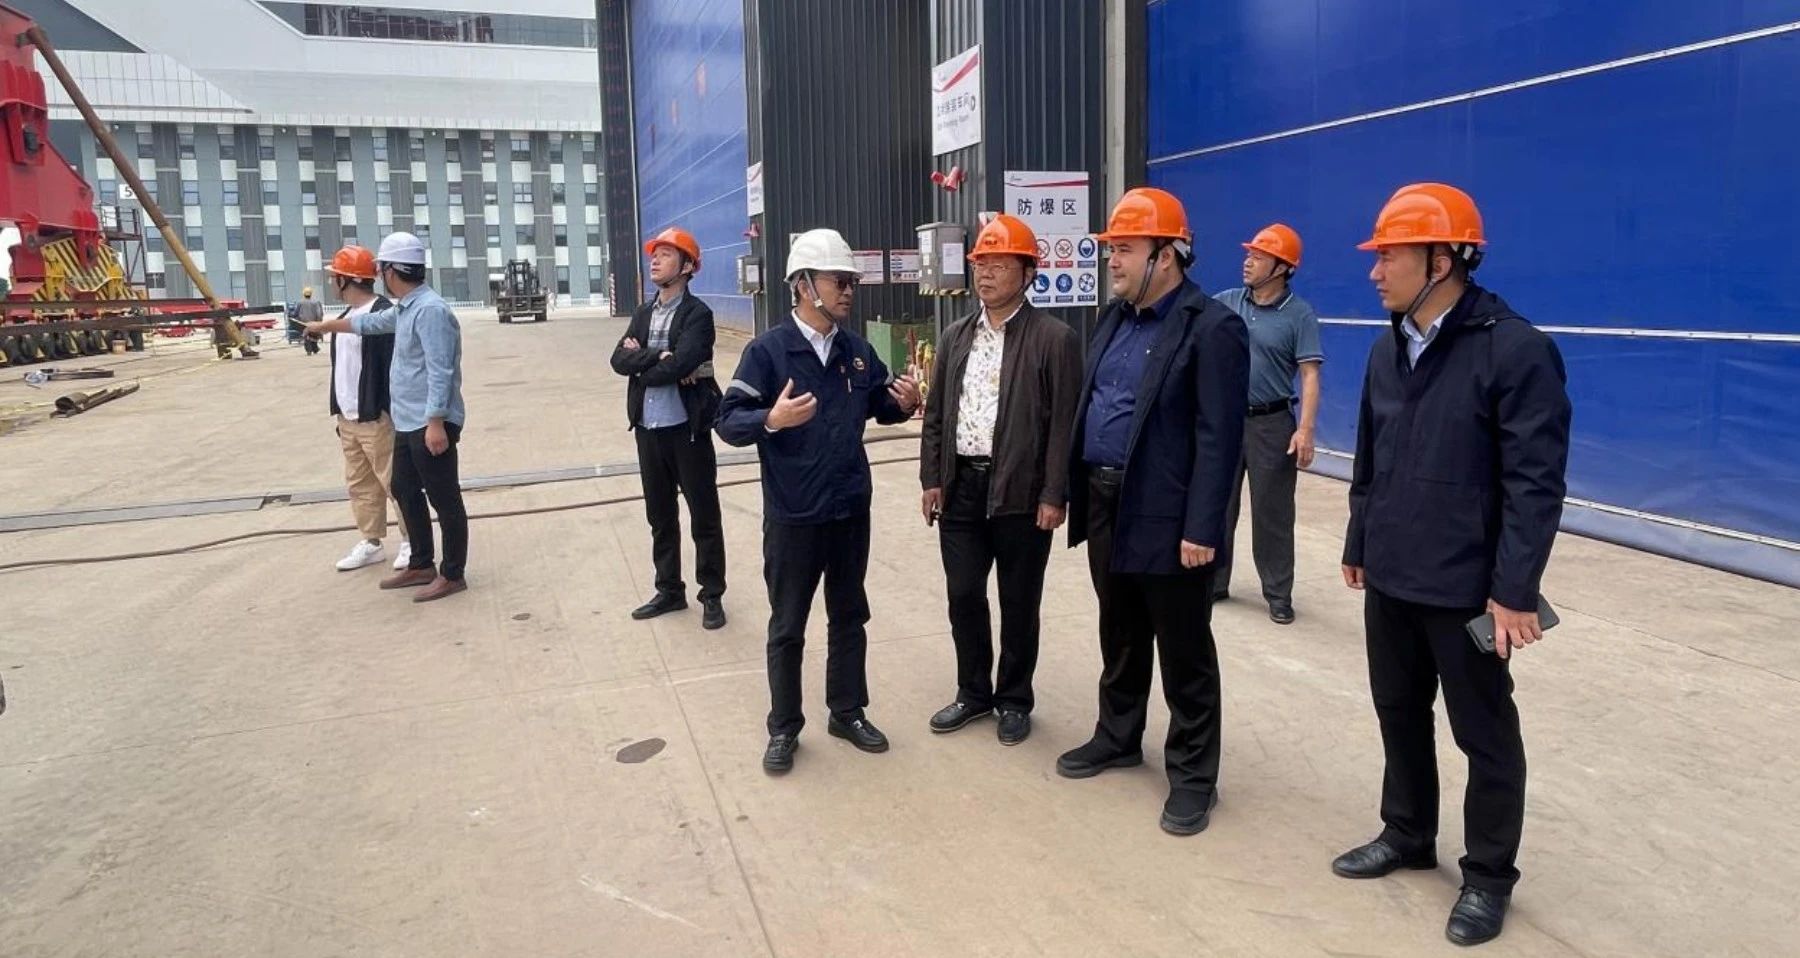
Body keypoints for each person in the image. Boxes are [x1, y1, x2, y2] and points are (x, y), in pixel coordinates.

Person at [1333, 183, 1571, 947]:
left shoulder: (1515, 350)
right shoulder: (1387, 347)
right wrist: (1360, 540)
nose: (1375, 272)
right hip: (1393, 574)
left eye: (1390, 256)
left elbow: (1534, 484)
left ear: (1442, 260)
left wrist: (1514, 591)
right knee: (1398, 711)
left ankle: (1489, 877)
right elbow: (1370, 457)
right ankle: (1406, 833)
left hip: (1467, 589)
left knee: (1484, 733)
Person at [1058, 187, 1248, 837]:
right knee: (1120, 629)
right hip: (1106, 501)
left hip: (1168, 516)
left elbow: (1220, 439)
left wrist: (1203, 527)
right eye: (1111, 248)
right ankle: (1117, 737)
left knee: (1184, 649)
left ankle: (1193, 776)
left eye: (1125, 248)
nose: (1112, 260)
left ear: (1166, 255)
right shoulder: (1112, 320)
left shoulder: (1212, 328)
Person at [716, 227, 921, 774]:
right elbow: (728, 420)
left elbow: (879, 404)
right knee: (788, 625)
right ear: (804, 285)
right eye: (839, 281)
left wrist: (905, 402)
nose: (849, 291)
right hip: (795, 515)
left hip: (849, 508)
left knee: (849, 614)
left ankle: (847, 711)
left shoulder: (856, 352)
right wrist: (771, 418)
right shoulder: (767, 352)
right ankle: (784, 728)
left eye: (851, 282)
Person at [918, 214, 1082, 746]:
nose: (985, 274)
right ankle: (973, 693)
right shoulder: (955, 336)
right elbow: (937, 415)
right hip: (962, 487)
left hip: (1022, 493)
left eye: (999, 264)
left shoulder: (1054, 339)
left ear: (1028, 273)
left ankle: (1014, 699)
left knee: (1019, 601)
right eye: (980, 264)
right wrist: (932, 478)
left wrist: (1054, 493)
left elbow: (1064, 425)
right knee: (963, 594)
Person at [307, 231, 468, 602]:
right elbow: (372, 324)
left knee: (444, 498)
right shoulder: (407, 307)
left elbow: (441, 370)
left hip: (430, 422)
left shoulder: (430, 310)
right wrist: (327, 326)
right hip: (408, 419)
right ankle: (421, 564)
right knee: (404, 489)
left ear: (394, 271)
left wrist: (436, 423)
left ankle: (452, 574)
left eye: (382, 270)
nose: (380, 277)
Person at [611, 227, 728, 630]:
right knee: (660, 515)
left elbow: (684, 362)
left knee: (703, 515)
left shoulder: (698, 315)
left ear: (687, 266)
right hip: (648, 428)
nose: (655, 260)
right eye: (654, 254)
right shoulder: (643, 313)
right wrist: (657, 357)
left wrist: (645, 363)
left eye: (665, 254)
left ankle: (711, 594)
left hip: (687, 429)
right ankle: (669, 590)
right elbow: (617, 360)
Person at [1212, 224, 1323, 623]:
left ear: (1281, 268)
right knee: (1216, 503)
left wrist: (1305, 429)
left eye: (1258, 257)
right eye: (1249, 254)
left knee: (1272, 513)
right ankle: (1214, 581)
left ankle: (1278, 593)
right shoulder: (1227, 302)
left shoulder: (1299, 314)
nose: (1248, 262)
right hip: (1226, 420)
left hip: (1272, 424)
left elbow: (1309, 374)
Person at [317, 245, 412, 573]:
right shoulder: (344, 319)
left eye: (334, 277)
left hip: (378, 417)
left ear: (345, 280)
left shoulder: (384, 316)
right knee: (360, 484)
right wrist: (341, 413)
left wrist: (391, 413)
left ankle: (411, 540)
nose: (331, 283)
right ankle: (371, 542)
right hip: (349, 419)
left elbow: (394, 370)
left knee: (395, 483)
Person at [296, 287, 324, 355]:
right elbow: (319, 313)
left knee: (306, 336)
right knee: (314, 335)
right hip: (314, 322)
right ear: (311, 294)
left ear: (303, 294)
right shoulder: (316, 302)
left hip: (303, 323)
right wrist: (319, 322)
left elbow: (296, 313)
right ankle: (315, 349)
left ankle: (310, 350)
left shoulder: (300, 302)